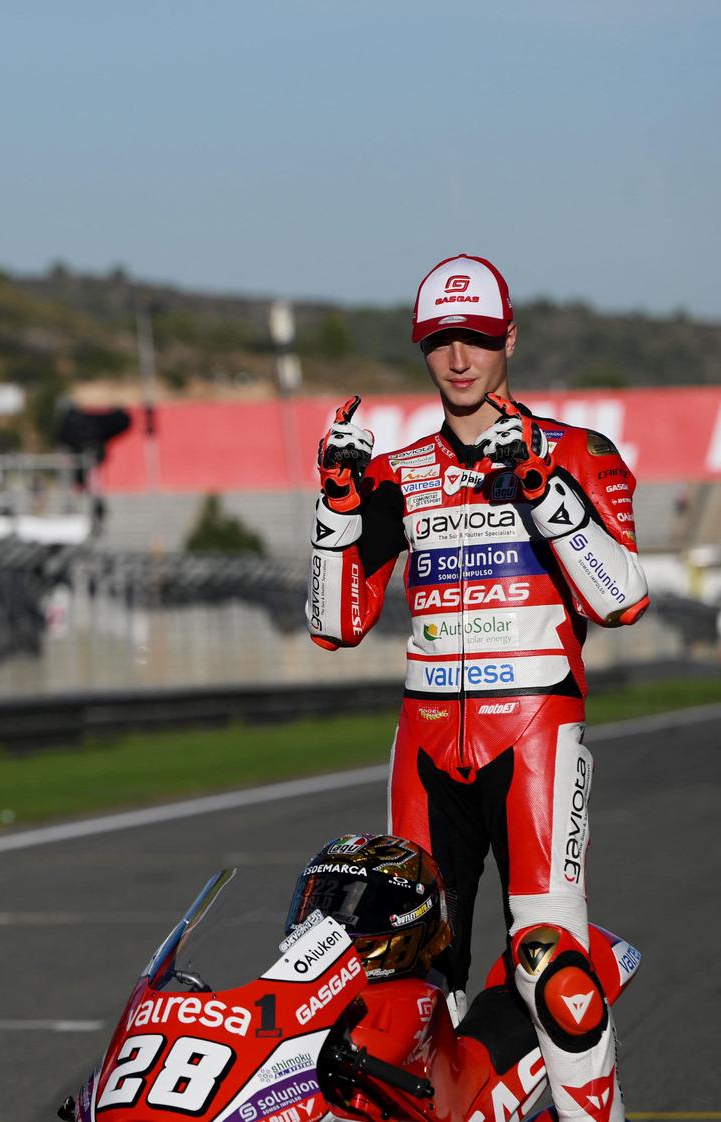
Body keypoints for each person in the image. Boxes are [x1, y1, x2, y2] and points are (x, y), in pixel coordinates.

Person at [305, 255, 647, 1122]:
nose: (460, 359)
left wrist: (546, 490)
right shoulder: (398, 472)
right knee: (419, 979)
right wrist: (335, 509)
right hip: (424, 750)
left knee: (553, 965)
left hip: (535, 736)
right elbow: (335, 623)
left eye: (478, 340)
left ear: (509, 342)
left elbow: (624, 600)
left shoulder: (577, 451)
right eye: (441, 341)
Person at [289, 834, 637, 1122]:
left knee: (557, 977)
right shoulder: (309, 994)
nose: (318, 925)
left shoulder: (409, 1002)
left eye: (341, 908)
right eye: (315, 904)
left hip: (458, 1089)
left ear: (401, 926)